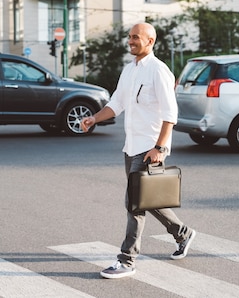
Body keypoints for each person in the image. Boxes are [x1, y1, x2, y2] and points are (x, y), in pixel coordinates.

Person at [81, 22, 196, 279]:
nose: (131, 41)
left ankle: (127, 260)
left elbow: (170, 113)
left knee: (134, 204)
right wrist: (94, 118)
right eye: (130, 37)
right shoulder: (129, 70)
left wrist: (160, 147)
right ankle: (183, 233)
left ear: (150, 41)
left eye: (136, 37)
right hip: (131, 146)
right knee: (146, 200)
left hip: (149, 148)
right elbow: (116, 104)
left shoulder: (158, 71)